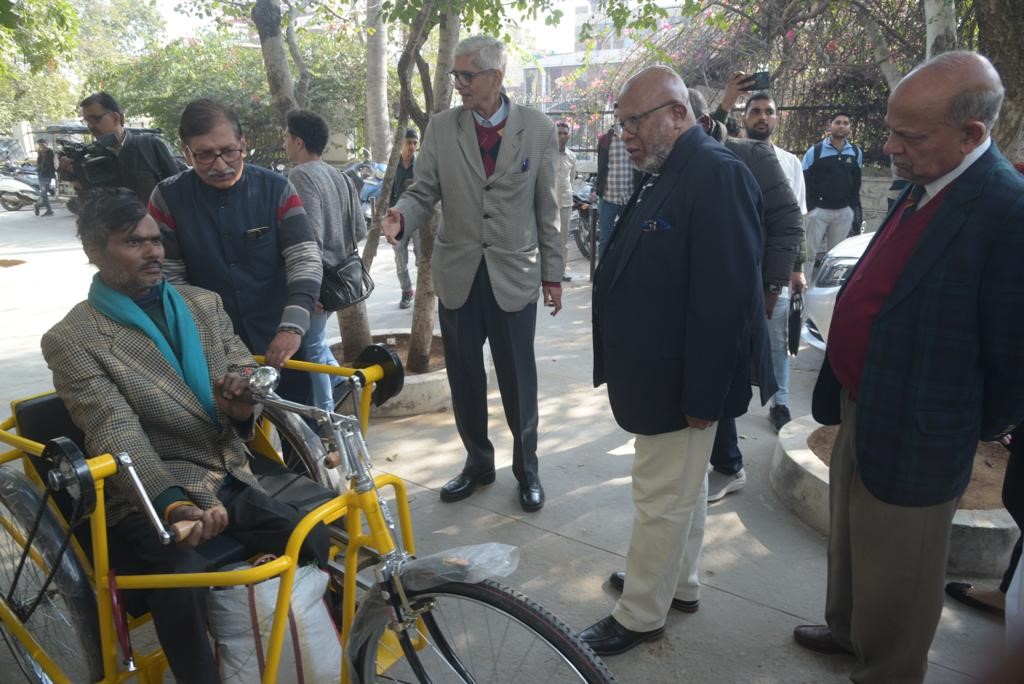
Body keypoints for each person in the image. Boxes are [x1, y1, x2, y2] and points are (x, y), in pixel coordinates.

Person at [794, 51, 1024, 683]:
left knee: (901, 566)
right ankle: (848, 632)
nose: (891, 147)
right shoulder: (928, 176)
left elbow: (1013, 353)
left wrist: (963, 423)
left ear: (971, 134)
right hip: (862, 400)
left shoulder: (1007, 210)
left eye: (910, 136)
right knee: (852, 538)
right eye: (892, 131)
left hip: (923, 427)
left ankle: (888, 670)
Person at [40, 188, 329, 684]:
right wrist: (171, 504)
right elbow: (113, 426)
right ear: (94, 251)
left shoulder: (202, 303)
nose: (152, 251)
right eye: (134, 242)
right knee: (180, 583)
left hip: (226, 467)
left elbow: (241, 366)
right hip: (148, 489)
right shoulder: (73, 338)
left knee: (312, 534)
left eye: (155, 240)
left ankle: (308, 648)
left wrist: (244, 399)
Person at [580, 65, 773, 656]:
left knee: (661, 497)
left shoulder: (715, 174)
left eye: (634, 122)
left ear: (677, 114)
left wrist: (702, 397)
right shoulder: (668, 168)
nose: (626, 135)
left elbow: (726, 301)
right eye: (621, 124)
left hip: (681, 383)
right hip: (659, 375)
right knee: (680, 492)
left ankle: (641, 613)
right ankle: (678, 584)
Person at [381, 35, 564, 512]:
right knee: (464, 378)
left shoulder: (537, 128)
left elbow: (548, 207)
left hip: (514, 275)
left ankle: (527, 470)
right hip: (459, 274)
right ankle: (478, 463)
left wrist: (552, 275)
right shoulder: (442, 128)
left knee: (518, 380)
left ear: (495, 77)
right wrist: (402, 216)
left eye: (466, 75)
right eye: (455, 75)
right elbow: (423, 190)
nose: (458, 83)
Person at [150, 99, 322, 404]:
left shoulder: (277, 189)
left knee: (300, 420)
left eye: (229, 151)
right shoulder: (167, 198)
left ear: (243, 144)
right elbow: (171, 279)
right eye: (204, 155)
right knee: (232, 425)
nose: (220, 165)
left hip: (281, 339)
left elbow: (304, 258)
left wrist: (293, 328)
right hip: (212, 346)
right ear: (187, 153)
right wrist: (207, 341)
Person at [689, 89, 802, 502]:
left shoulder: (753, 156)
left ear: (697, 123)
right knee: (707, 377)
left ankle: (729, 464)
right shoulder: (674, 160)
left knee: (726, 375)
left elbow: (789, 220)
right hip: (697, 293)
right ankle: (721, 458)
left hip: (742, 290)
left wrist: (773, 284)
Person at [283, 109, 366, 412]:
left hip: (320, 281)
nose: (284, 143)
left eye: (286, 137)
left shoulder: (300, 176)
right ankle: (344, 384)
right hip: (342, 278)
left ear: (299, 142)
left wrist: (311, 287)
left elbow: (310, 236)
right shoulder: (339, 176)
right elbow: (360, 229)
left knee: (314, 347)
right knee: (316, 343)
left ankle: (326, 416)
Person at [74, 92, 182, 201]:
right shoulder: (91, 158)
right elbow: (91, 202)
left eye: (94, 119)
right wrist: (76, 176)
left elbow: (178, 189)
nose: (90, 127)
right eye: (87, 121)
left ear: (116, 118)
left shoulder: (150, 146)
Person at [802, 111, 862, 279]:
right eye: (838, 122)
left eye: (845, 123)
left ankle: (829, 289)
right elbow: (804, 180)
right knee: (808, 253)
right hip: (818, 212)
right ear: (830, 126)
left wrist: (851, 208)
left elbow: (856, 182)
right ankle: (800, 289)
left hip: (843, 212)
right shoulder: (815, 151)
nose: (841, 126)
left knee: (836, 256)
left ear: (849, 128)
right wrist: (811, 207)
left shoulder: (856, 152)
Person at [593, 106, 642, 254]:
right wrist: (597, 190)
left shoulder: (636, 139)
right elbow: (601, 168)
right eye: (615, 116)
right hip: (608, 197)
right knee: (605, 239)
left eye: (620, 116)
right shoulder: (605, 140)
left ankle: (625, 268)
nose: (617, 119)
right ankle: (603, 268)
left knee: (629, 237)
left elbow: (640, 167)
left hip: (629, 198)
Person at [391, 128, 422, 309]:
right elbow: (388, 190)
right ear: (401, 144)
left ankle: (423, 292)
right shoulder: (393, 166)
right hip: (397, 218)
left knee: (421, 256)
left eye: (414, 143)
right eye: (408, 142)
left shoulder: (421, 165)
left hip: (417, 217)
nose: (412, 147)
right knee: (400, 257)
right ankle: (406, 291)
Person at [555, 121, 576, 280]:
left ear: (569, 136)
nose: (562, 136)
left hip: (565, 202)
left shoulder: (572, 156)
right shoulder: (547, 153)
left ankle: (561, 271)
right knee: (546, 237)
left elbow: (571, 179)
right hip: (549, 202)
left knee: (563, 238)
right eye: (559, 133)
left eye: (565, 133)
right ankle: (543, 272)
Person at [34, 140, 55, 216]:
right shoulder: (40, 153)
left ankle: (38, 206)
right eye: (40, 145)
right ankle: (47, 209)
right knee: (44, 193)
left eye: (42, 144)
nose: (41, 146)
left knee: (44, 193)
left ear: (46, 144)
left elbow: (51, 163)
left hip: (47, 175)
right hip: (41, 175)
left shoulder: (50, 152)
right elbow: (39, 164)